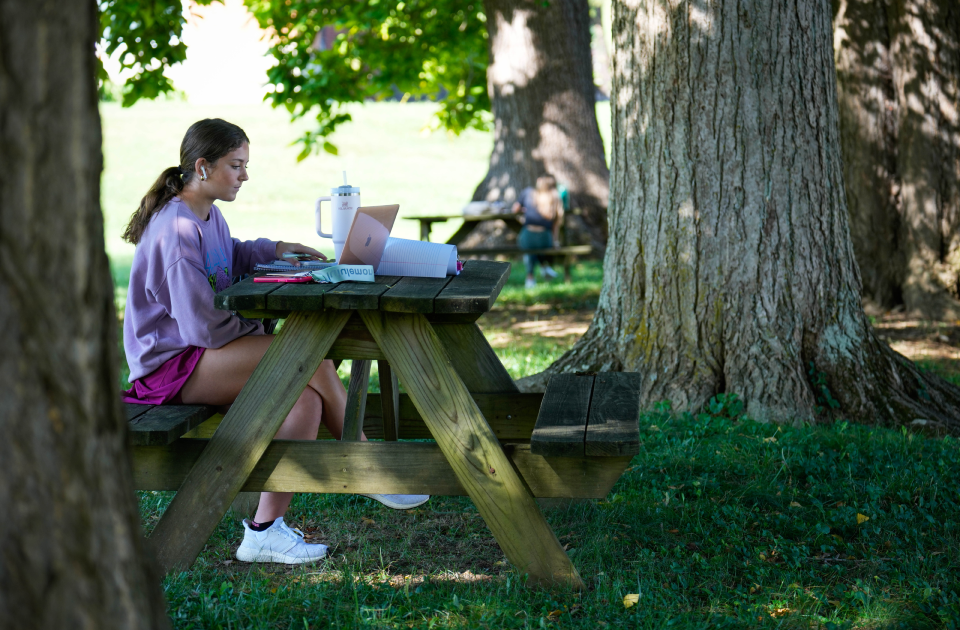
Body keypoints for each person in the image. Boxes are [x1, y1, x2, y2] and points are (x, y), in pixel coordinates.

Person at [121, 118, 427, 565]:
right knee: (308, 359)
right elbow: (201, 326)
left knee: (305, 402)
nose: (245, 175)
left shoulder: (205, 213)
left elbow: (231, 254)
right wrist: (258, 332)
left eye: (245, 165)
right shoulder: (176, 231)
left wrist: (278, 247)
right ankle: (368, 466)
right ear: (202, 167)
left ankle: (264, 532)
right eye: (236, 165)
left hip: (202, 355)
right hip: (171, 368)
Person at [512, 175, 564, 288]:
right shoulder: (555, 198)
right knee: (537, 246)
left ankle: (530, 277)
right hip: (545, 238)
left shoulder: (528, 193)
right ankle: (544, 266)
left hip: (527, 236)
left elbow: (514, 209)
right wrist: (555, 242)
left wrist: (523, 211)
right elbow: (556, 225)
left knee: (529, 248)